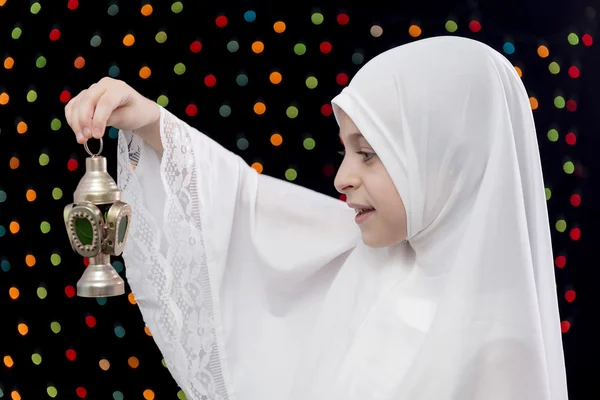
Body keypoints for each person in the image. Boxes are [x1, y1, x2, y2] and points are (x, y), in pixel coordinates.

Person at [65, 36, 568, 399]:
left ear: (446, 160)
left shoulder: (502, 352)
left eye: (368, 152)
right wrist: (149, 120)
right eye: (346, 150)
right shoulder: (369, 260)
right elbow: (245, 210)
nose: (341, 177)